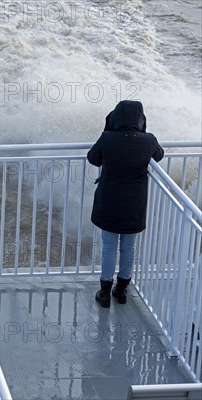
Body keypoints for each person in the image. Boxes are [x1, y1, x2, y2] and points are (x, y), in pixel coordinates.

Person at [87, 100, 164, 308]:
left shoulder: (108, 138)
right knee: (129, 246)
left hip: (110, 199)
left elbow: (92, 158)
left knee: (109, 246)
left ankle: (104, 293)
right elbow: (159, 155)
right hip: (134, 202)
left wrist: (107, 131)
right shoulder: (148, 141)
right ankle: (121, 290)